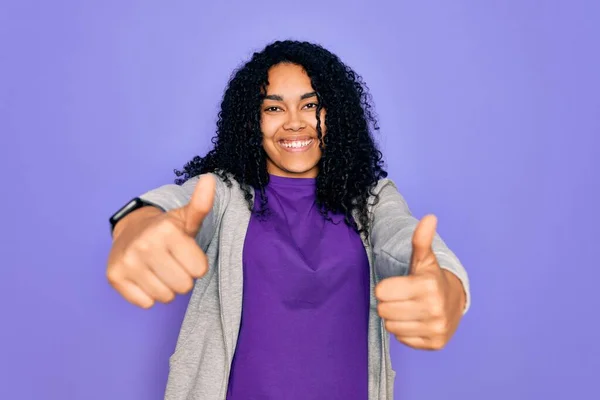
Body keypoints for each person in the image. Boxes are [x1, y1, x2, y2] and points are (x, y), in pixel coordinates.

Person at [106, 40, 470, 400]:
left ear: (335, 115)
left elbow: (403, 238)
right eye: (274, 108)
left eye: (310, 105)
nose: (295, 123)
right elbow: (177, 205)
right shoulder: (224, 193)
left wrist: (446, 285)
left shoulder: (370, 200)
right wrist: (137, 223)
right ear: (252, 121)